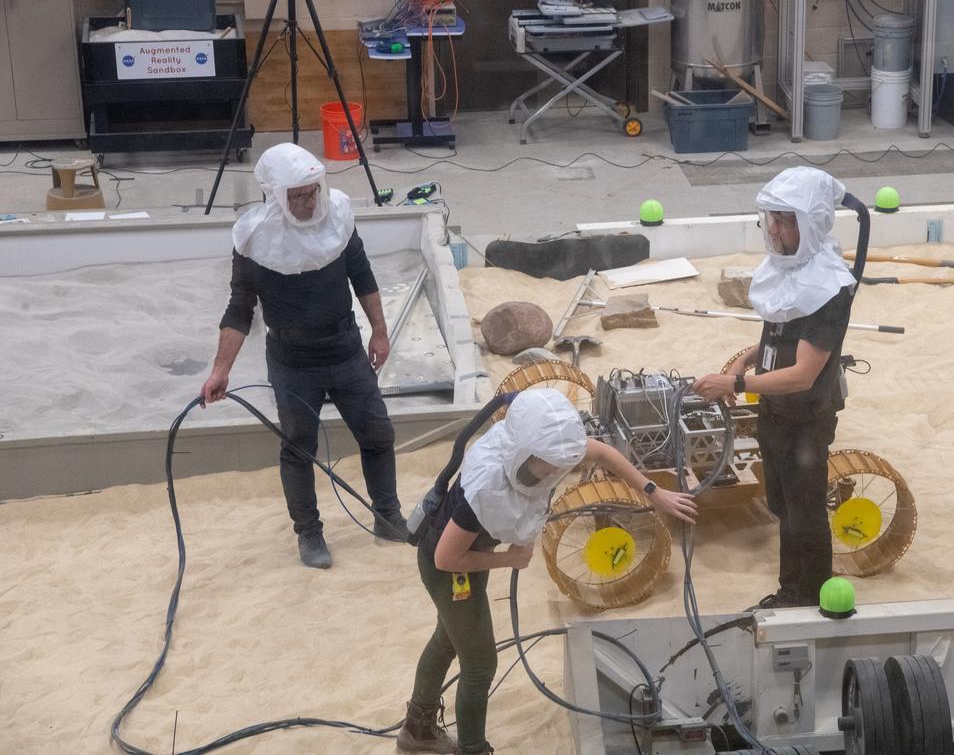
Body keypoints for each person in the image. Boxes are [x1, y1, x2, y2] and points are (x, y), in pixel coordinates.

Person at [396, 389, 697, 753]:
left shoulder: (547, 449)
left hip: (471, 557)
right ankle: (472, 748)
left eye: (559, 465)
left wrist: (653, 491)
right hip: (448, 567)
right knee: (480, 663)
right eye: (547, 466)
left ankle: (417, 729)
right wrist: (510, 559)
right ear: (523, 452)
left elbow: (602, 451)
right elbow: (446, 558)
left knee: (449, 639)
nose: (554, 473)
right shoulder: (485, 489)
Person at [200, 142, 407, 569]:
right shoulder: (254, 240)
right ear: (277, 195)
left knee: (377, 433)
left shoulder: (339, 218)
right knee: (299, 447)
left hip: (345, 347)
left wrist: (380, 333)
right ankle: (309, 535)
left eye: (313, 191)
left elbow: (362, 275)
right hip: (292, 360)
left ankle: (388, 516)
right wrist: (221, 370)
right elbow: (240, 308)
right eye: (297, 195)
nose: (308, 202)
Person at [692, 167, 856, 609]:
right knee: (783, 506)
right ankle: (789, 590)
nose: (776, 230)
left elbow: (803, 373)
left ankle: (810, 598)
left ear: (810, 223)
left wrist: (737, 382)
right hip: (775, 412)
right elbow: (783, 333)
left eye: (786, 220)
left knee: (806, 515)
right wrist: (750, 354)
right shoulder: (787, 271)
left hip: (806, 417)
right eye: (773, 219)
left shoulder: (828, 286)